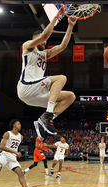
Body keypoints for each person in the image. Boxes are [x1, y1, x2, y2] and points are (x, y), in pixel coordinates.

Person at [17, 7, 77, 140]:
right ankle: (48, 113)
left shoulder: (45, 54)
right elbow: (44, 35)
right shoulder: (28, 46)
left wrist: (70, 26)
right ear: (34, 39)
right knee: (61, 78)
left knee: (70, 97)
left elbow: (62, 47)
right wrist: (56, 17)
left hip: (36, 94)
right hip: (26, 87)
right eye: (42, 39)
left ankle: (44, 119)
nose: (45, 41)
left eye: (46, 41)